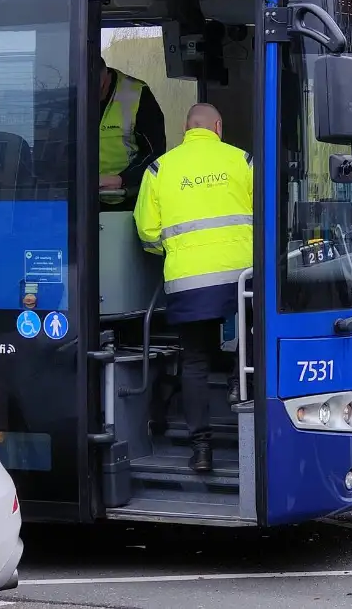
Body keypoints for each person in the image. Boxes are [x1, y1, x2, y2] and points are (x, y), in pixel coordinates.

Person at [133, 103, 253, 472]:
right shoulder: (243, 161)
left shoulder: (159, 169)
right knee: (251, 338)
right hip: (242, 278)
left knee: (195, 361)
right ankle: (238, 383)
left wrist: (175, 249)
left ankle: (201, 449)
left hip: (188, 282)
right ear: (218, 126)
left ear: (187, 129)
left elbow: (147, 233)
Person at [96, 56, 167, 211]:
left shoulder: (137, 94)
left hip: (127, 198)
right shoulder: (71, 92)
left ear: (105, 74)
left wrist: (122, 179)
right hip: (78, 197)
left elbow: (155, 153)